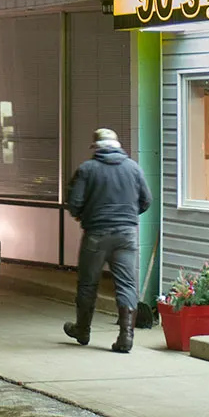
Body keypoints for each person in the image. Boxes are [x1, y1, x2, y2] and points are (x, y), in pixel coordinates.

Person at [63, 127, 152, 353]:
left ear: (96, 148)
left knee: (87, 283)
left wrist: (85, 216)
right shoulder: (134, 168)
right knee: (126, 284)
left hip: (96, 233)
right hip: (126, 235)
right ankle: (126, 337)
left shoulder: (87, 169)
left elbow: (74, 203)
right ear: (118, 146)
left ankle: (82, 330)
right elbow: (146, 200)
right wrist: (127, 217)